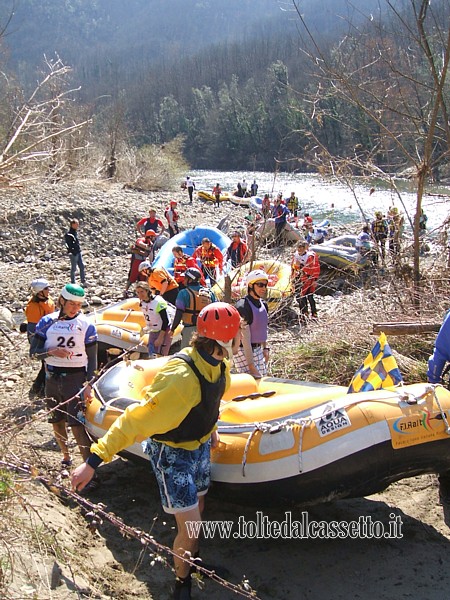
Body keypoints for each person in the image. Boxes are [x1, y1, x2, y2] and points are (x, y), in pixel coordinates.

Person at [71, 302, 242, 600]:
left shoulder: (221, 365)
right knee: (190, 525)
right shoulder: (180, 378)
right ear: (225, 338)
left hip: (199, 448)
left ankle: (194, 560)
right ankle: (181, 582)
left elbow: (211, 403)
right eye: (239, 330)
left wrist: (210, 429)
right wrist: (93, 461)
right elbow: (135, 419)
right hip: (172, 454)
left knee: (199, 508)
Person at [30, 284, 97, 471]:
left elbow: (92, 359)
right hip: (51, 377)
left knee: (77, 424)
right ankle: (66, 457)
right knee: (56, 420)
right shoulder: (46, 322)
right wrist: (51, 352)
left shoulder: (87, 324)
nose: (75, 308)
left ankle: (87, 467)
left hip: (75, 379)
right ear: (61, 300)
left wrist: (89, 385)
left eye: (78, 305)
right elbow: (33, 353)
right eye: (71, 304)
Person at [233, 269, 270, 379]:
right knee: (253, 381)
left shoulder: (263, 304)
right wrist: (251, 365)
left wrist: (265, 348)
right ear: (250, 285)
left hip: (257, 349)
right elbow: (245, 339)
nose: (264, 288)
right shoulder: (242, 306)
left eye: (265, 285)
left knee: (263, 379)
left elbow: (263, 328)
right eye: (260, 285)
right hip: (243, 350)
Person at [169, 267, 216, 349]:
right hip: (207, 330)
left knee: (187, 354)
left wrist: (173, 329)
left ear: (190, 280)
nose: (183, 280)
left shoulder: (183, 293)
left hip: (190, 330)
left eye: (185, 278)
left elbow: (179, 313)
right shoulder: (210, 292)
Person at [25, 278, 56, 395]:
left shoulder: (48, 302)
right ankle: (39, 387)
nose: (49, 291)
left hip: (50, 334)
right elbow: (34, 329)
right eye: (46, 289)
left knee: (46, 363)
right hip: (40, 337)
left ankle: (39, 387)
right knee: (46, 363)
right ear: (40, 292)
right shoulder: (33, 307)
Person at [135, 282, 173, 357]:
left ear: (147, 291)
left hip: (164, 331)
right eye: (138, 292)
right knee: (151, 354)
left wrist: (160, 338)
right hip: (153, 331)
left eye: (142, 291)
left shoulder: (158, 302)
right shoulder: (142, 303)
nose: (140, 294)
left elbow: (165, 321)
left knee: (161, 356)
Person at [291, 240, 320, 323]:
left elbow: (313, 268)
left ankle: (314, 313)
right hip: (297, 278)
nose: (299, 249)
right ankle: (304, 313)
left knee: (309, 296)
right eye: (298, 247)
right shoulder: (295, 255)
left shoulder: (310, 256)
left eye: (301, 247)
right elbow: (292, 267)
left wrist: (315, 279)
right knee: (299, 297)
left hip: (308, 279)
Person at [124, 230, 155, 297]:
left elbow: (148, 253)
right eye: (153, 237)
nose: (154, 238)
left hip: (142, 260)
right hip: (136, 260)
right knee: (133, 275)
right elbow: (139, 243)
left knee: (143, 277)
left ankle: (141, 291)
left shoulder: (151, 244)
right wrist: (144, 247)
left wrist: (138, 251)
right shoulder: (141, 240)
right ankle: (126, 290)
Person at [64, 218, 86, 286]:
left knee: (81, 266)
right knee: (74, 268)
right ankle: (73, 282)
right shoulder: (69, 234)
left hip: (78, 252)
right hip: (74, 254)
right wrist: (72, 251)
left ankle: (83, 281)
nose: (78, 225)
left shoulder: (75, 233)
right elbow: (68, 245)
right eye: (76, 224)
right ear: (72, 225)